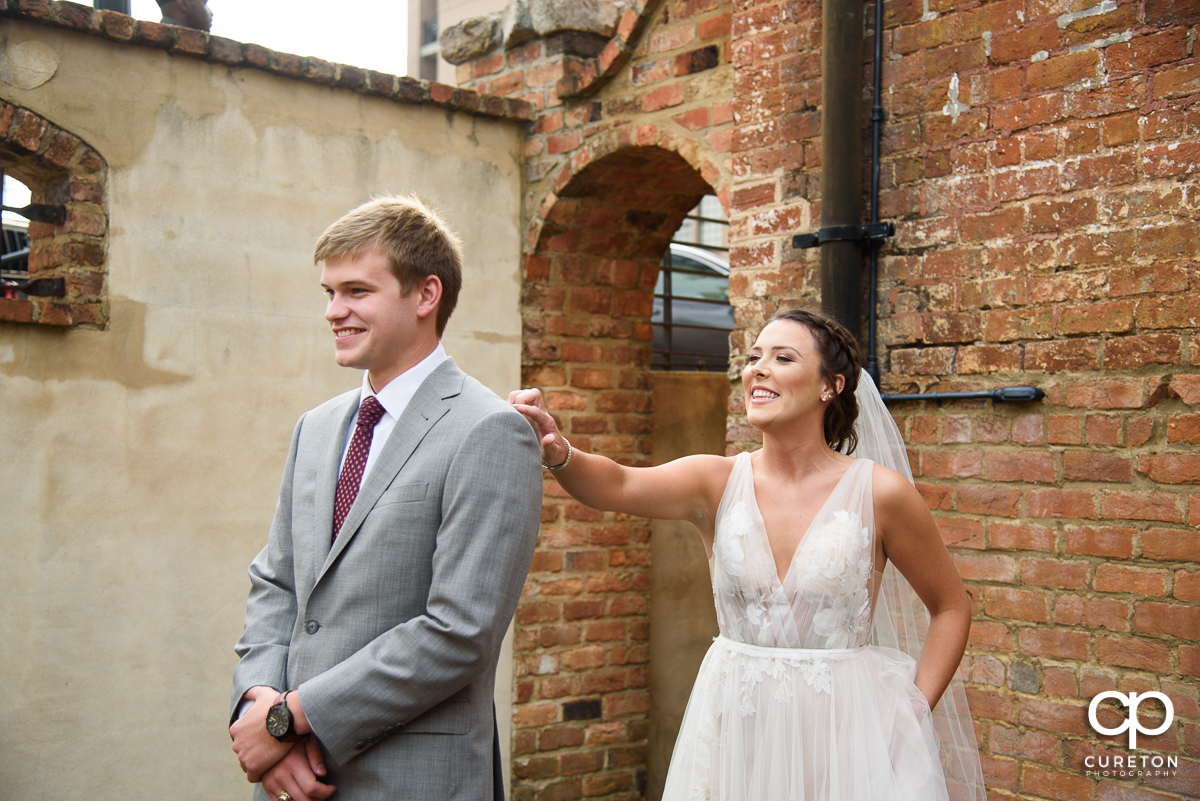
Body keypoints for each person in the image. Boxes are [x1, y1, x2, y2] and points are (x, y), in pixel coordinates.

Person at [510, 307, 986, 800]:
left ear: (831, 386)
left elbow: (951, 605)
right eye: (754, 356)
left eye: (782, 357)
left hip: (845, 735)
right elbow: (618, 482)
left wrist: (912, 711)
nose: (757, 368)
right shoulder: (713, 482)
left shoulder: (880, 493)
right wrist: (557, 449)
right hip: (737, 728)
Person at [229, 195, 543, 801]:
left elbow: (460, 631)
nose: (333, 311)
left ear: (425, 296)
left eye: (356, 292)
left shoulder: (488, 431)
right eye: (328, 293)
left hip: (412, 778)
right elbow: (277, 582)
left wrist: (291, 719)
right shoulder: (315, 428)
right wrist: (259, 699)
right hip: (295, 778)